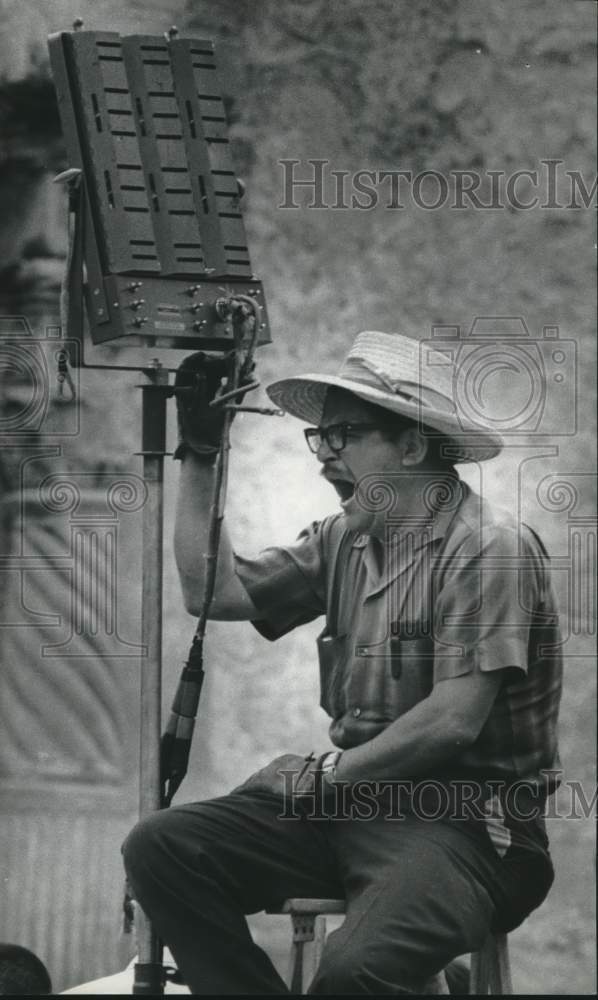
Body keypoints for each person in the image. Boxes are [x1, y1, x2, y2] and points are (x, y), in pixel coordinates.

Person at [122, 330, 562, 995]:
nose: (325, 455)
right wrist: (202, 452)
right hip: (353, 807)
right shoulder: (347, 537)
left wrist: (320, 776)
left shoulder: (488, 547)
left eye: (345, 436)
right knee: (162, 848)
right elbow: (214, 592)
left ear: (413, 444)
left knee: (357, 971)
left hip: (468, 825)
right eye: (319, 438)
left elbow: (450, 723)